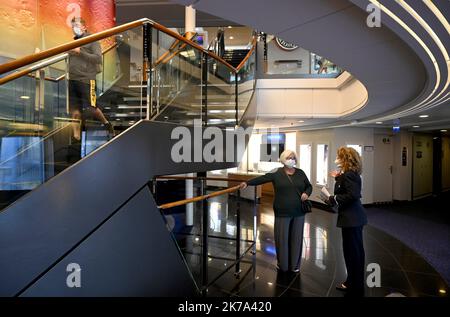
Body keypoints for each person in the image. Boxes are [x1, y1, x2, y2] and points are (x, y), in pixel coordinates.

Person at [240, 150, 312, 273]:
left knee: (296, 239)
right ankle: (282, 264)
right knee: (282, 239)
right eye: (289, 157)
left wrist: (306, 193)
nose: (292, 160)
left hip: (299, 211)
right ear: (283, 159)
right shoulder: (276, 172)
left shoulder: (300, 173)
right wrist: (247, 183)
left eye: (294, 158)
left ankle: (295, 265)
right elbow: (263, 178)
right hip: (282, 212)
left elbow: (309, 186)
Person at [322, 147, 368, 296]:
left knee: (353, 253)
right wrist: (337, 178)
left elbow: (352, 195)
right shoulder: (350, 174)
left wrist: (333, 198)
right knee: (353, 252)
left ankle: (354, 284)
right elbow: (348, 189)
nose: (337, 160)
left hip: (352, 219)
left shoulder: (349, 175)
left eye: (339, 157)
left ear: (346, 159)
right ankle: (353, 281)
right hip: (353, 218)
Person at [68, 17, 114, 142]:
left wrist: (80, 52)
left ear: (84, 26)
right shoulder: (73, 41)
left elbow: (98, 58)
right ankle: (76, 136)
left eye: (77, 25)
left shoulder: (92, 40)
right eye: (73, 26)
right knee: (75, 110)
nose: (74, 28)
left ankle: (106, 123)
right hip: (72, 79)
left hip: (87, 79)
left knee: (92, 107)